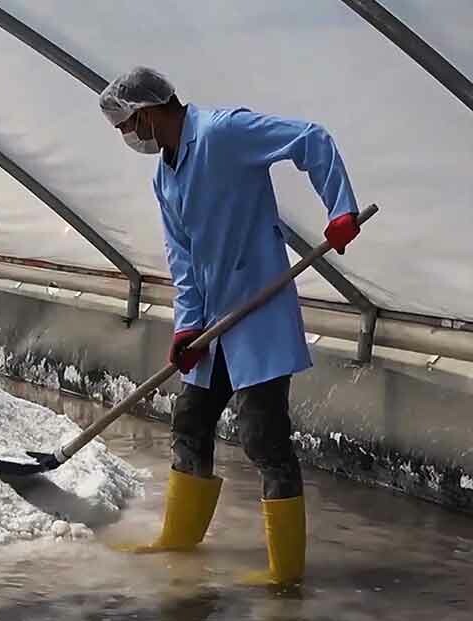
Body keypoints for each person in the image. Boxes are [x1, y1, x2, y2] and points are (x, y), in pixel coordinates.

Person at [99, 67, 361, 585]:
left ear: (147, 113)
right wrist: (186, 328)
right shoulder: (164, 176)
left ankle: (285, 573)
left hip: (256, 313)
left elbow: (309, 138)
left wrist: (341, 209)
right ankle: (177, 539)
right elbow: (183, 259)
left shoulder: (223, 133)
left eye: (126, 126)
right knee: (191, 425)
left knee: (264, 439)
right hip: (212, 327)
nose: (128, 137)